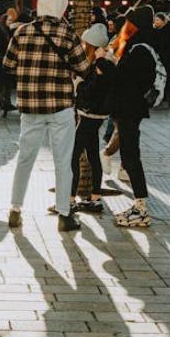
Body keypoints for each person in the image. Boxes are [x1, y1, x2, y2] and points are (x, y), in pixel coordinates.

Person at [2, 0, 91, 233]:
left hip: (30, 107)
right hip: (60, 106)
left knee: (25, 158)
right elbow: (84, 67)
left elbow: (7, 65)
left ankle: (15, 209)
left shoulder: (22, 32)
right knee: (62, 161)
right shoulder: (67, 33)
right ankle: (64, 213)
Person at [105, 6, 159, 228]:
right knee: (129, 156)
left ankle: (141, 208)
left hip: (129, 108)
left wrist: (106, 65)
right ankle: (139, 206)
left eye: (129, 22)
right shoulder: (138, 46)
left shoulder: (139, 50)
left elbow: (125, 80)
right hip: (129, 107)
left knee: (131, 156)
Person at [72, 24, 115, 213]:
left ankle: (69, 199)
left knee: (72, 155)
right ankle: (95, 198)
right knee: (92, 155)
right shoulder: (105, 61)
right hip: (96, 115)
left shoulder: (100, 65)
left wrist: (79, 87)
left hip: (90, 114)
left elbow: (92, 91)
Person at [152, 12, 170, 107]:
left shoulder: (169, 32)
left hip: (167, 59)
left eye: (158, 20)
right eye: (155, 20)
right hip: (158, 59)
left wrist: (166, 52)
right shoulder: (154, 31)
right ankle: (160, 97)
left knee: (168, 78)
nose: (156, 22)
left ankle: (169, 97)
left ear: (163, 21)